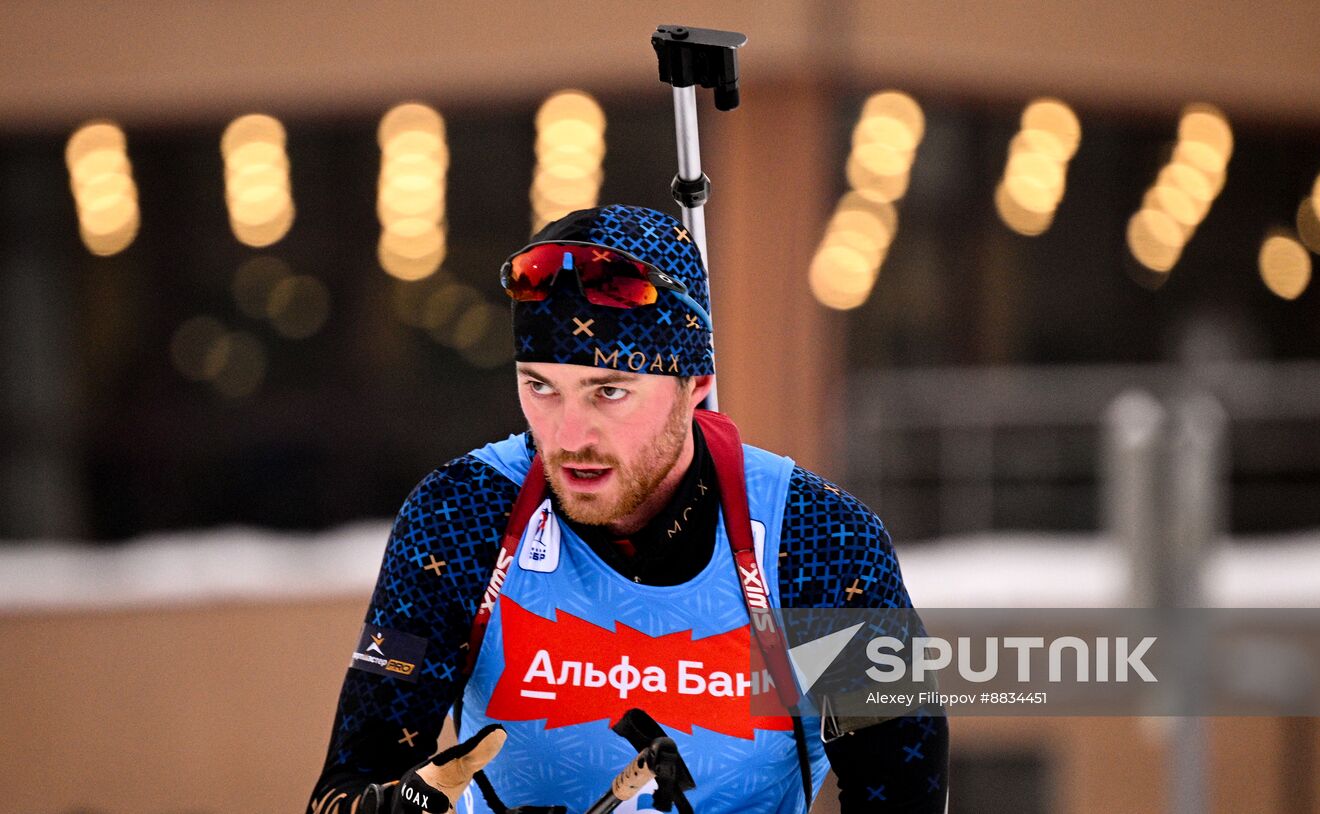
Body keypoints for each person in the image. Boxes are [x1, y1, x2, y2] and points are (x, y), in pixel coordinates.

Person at [307, 204, 949, 813]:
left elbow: (902, 789)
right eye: (541, 388)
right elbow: (348, 784)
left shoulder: (820, 542)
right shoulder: (463, 514)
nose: (567, 436)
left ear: (695, 385)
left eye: (608, 391)